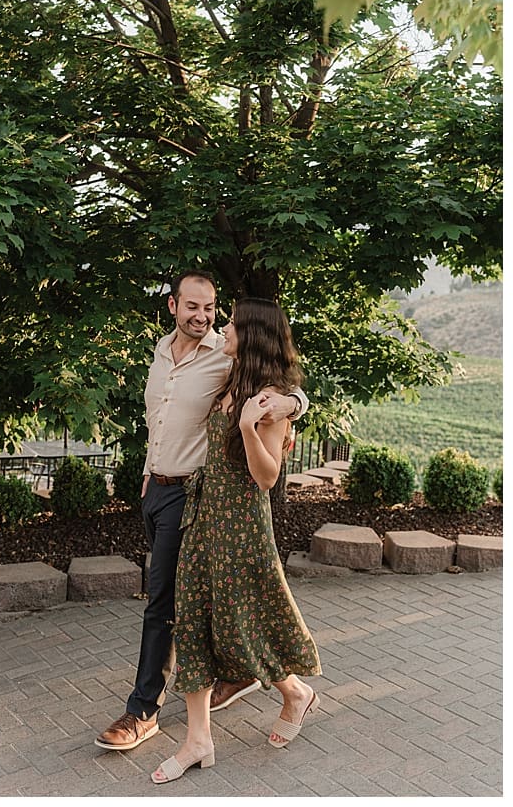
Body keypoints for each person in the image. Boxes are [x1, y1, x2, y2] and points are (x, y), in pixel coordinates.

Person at [96, 271, 306, 752]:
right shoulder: (159, 352)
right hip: (155, 490)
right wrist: (149, 471)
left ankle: (142, 710)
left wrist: (295, 403)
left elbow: (279, 382)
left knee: (163, 603)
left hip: (193, 497)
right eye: (193, 307)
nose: (203, 316)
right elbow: (159, 420)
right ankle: (236, 675)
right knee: (197, 597)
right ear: (173, 306)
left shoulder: (224, 355)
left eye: (211, 308)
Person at [150, 298, 321, 783]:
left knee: (243, 622)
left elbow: (267, 477)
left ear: (253, 335)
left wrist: (251, 426)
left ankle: (294, 692)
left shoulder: (268, 401)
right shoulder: (229, 376)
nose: (222, 326)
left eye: (231, 323)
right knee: (193, 620)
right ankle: (198, 739)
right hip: (206, 519)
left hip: (243, 527)